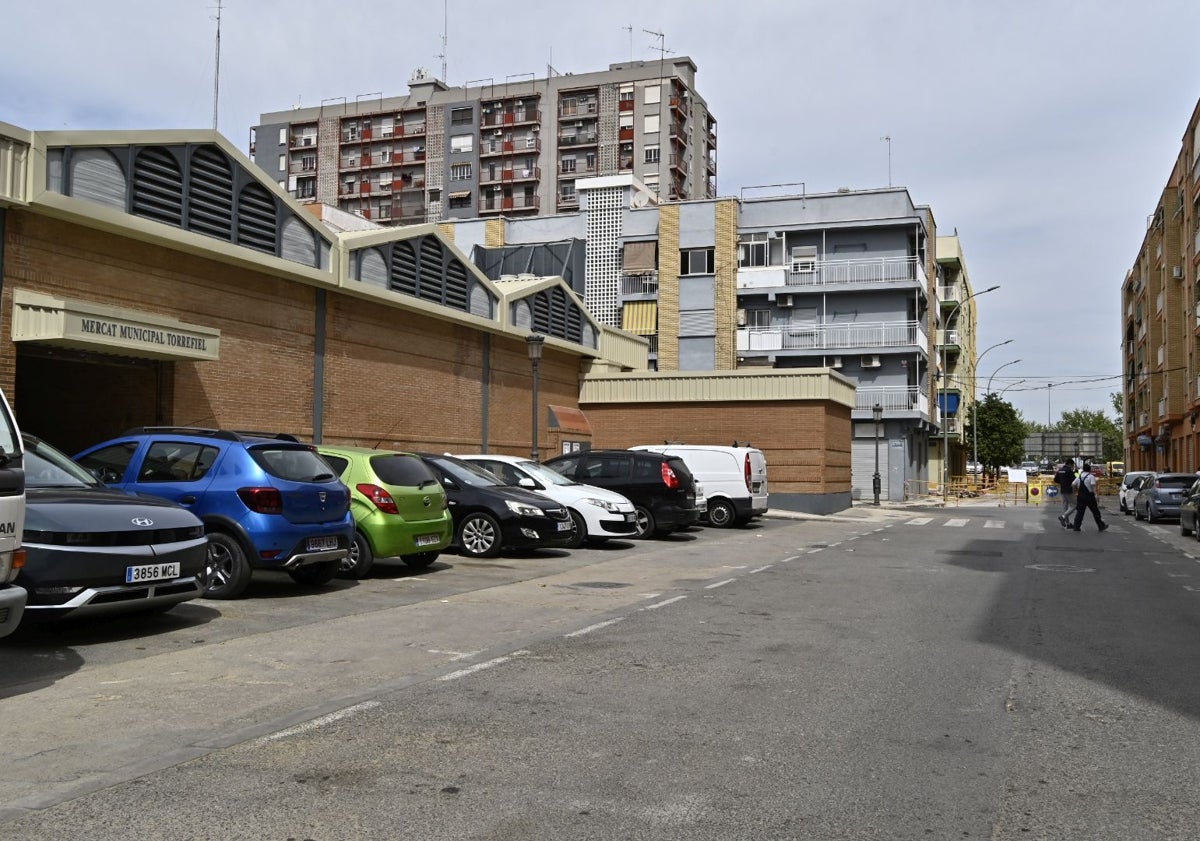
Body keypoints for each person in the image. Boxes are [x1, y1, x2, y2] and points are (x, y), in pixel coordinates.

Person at [1072, 461, 1108, 532]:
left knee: (1080, 512)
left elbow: (1073, 484)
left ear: (1083, 470)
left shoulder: (1079, 477)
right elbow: (1093, 487)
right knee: (1095, 512)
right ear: (1089, 470)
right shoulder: (1091, 477)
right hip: (1090, 497)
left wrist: (1075, 492)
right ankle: (1101, 526)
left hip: (1081, 497)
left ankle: (1076, 527)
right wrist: (1096, 495)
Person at [1053, 459, 1077, 527]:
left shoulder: (1060, 470)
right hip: (1069, 490)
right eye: (1072, 465)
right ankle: (1063, 517)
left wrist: (1062, 482)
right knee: (1074, 505)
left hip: (1062, 490)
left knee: (1065, 507)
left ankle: (1067, 523)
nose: (1072, 466)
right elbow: (1074, 480)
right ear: (1069, 464)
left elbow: (1055, 480)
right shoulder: (1069, 471)